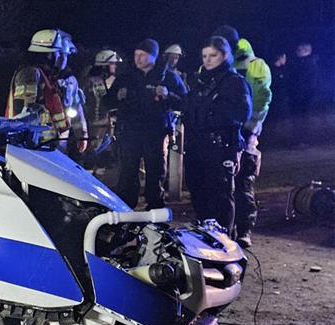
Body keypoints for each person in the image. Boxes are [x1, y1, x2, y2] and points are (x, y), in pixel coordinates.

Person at [104, 38, 187, 209]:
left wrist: (168, 94)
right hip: (130, 131)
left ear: (153, 57)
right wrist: (117, 96)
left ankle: (155, 206)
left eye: (142, 55)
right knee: (127, 170)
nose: (138, 59)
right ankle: (125, 207)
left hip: (155, 132)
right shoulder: (126, 76)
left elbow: (185, 102)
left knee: (155, 169)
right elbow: (107, 102)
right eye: (136, 55)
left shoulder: (168, 76)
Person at [183, 36, 252, 233]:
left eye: (213, 55)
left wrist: (213, 115)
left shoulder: (234, 82)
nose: (208, 60)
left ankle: (223, 242)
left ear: (225, 55)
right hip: (197, 147)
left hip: (220, 147)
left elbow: (242, 113)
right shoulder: (200, 82)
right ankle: (205, 237)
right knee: (198, 193)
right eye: (204, 56)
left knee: (220, 197)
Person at [7, 29, 87, 154]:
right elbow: (24, 115)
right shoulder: (30, 73)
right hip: (32, 143)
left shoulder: (49, 76)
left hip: (47, 141)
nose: (60, 58)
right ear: (48, 54)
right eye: (58, 53)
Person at [232, 38, 272, 246]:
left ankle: (243, 229)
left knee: (243, 182)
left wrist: (253, 123)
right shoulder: (254, 65)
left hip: (245, 132)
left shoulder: (255, 66)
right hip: (234, 131)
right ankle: (234, 230)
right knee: (232, 184)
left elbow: (262, 97)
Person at [82, 49, 121, 177]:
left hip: (105, 125)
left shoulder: (106, 81)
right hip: (94, 126)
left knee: (104, 156)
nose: (115, 66)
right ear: (104, 65)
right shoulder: (90, 82)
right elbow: (88, 104)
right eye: (112, 63)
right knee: (91, 155)